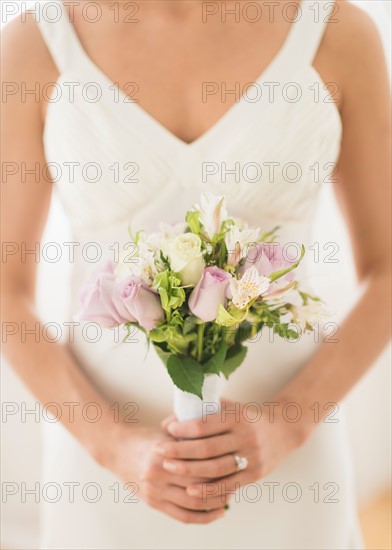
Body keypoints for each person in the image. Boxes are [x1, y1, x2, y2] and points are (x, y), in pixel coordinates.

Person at [2, 1, 390, 548]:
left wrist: (286, 425)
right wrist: (119, 450)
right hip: (104, 475)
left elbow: (387, 272)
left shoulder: (340, 33)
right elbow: (5, 292)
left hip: (292, 471)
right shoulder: (34, 44)